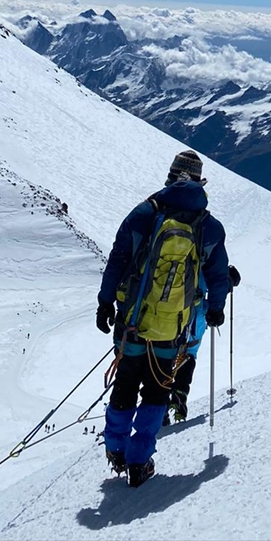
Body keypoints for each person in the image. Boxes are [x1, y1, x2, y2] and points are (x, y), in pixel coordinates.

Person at [96, 149, 230, 487]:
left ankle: (116, 449)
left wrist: (105, 302)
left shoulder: (144, 214)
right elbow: (217, 276)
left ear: (170, 177)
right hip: (173, 329)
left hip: (131, 323)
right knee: (157, 392)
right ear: (200, 182)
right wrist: (215, 309)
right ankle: (140, 461)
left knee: (124, 386)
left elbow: (118, 260)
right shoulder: (208, 226)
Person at [166, 263, 241, 424]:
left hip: (171, 324)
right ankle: (177, 399)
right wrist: (227, 282)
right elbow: (215, 287)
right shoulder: (206, 265)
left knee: (166, 362)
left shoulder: (189, 263)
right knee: (187, 360)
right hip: (193, 327)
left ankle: (161, 406)